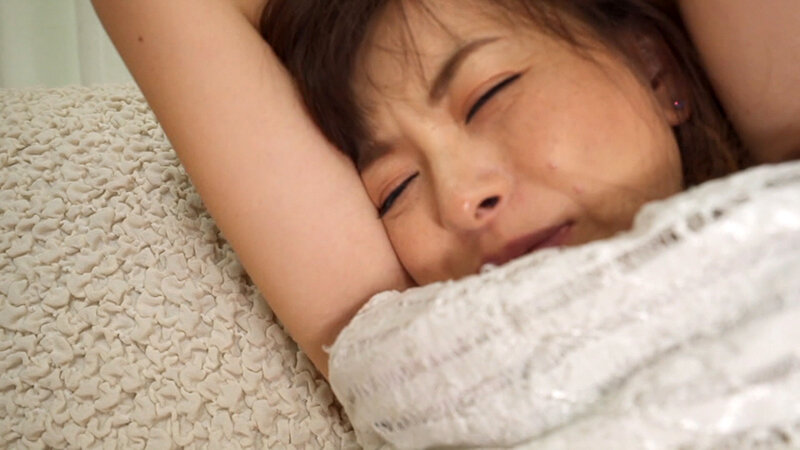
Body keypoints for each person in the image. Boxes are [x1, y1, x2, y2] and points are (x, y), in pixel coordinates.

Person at [92, 0, 798, 378]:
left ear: (653, 67)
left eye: (489, 95)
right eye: (395, 188)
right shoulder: (417, 356)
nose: (461, 200)